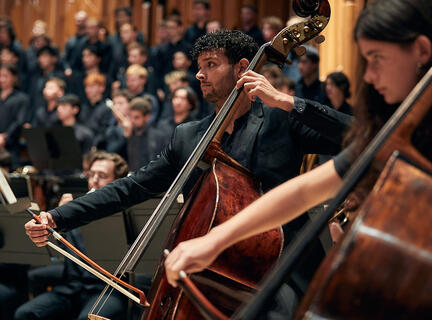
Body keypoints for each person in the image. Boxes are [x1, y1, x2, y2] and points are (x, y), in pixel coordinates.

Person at [24, 30, 350, 315]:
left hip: (278, 265)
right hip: (209, 269)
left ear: (242, 68)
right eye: (199, 66)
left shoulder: (281, 120)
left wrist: (287, 101)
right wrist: (57, 217)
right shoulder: (189, 136)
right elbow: (132, 187)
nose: (199, 74)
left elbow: (358, 135)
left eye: (211, 64)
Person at [163, 2, 432, 316]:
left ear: (422, 50)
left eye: (377, 58)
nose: (369, 76)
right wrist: (214, 240)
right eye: (366, 60)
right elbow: (305, 190)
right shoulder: (401, 132)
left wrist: (285, 102)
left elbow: (346, 133)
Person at [15, 151, 129, 320]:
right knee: (25, 314)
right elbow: (58, 254)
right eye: (91, 175)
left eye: (102, 175)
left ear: (118, 181)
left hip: (106, 289)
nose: (94, 180)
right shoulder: (75, 208)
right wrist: (62, 221)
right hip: (73, 287)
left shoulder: (125, 214)